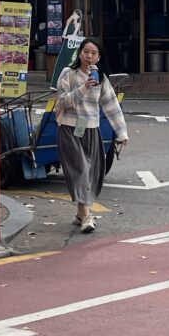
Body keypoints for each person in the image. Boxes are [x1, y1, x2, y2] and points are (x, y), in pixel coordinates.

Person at [54, 37, 128, 234]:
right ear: (80, 53)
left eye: (94, 53)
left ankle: (80, 213)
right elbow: (62, 101)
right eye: (86, 51)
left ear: (99, 57)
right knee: (81, 172)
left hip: (91, 129)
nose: (89, 56)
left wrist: (122, 133)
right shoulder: (68, 74)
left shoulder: (101, 78)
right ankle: (87, 216)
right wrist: (84, 87)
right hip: (69, 129)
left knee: (92, 173)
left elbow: (111, 106)